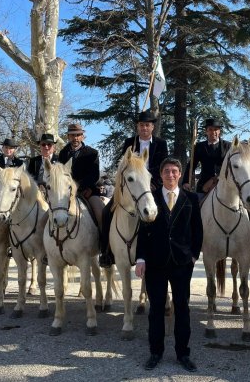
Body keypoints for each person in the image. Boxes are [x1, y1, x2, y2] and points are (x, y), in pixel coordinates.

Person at [135, 157, 203, 373]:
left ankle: (183, 353)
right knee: (156, 309)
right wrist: (141, 258)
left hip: (182, 263)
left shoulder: (191, 198)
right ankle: (156, 352)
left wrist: (193, 256)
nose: (170, 175)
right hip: (156, 262)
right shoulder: (151, 198)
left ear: (180, 174)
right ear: (160, 175)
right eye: (166, 171)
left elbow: (197, 231)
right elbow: (143, 232)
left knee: (182, 308)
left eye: (174, 171)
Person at [99, 112, 169, 267]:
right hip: (131, 187)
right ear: (137, 127)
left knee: (164, 214)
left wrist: (151, 182)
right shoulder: (130, 143)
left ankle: (164, 251)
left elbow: (163, 165)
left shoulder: (161, 143)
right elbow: (123, 165)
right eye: (141, 125)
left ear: (152, 127)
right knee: (106, 212)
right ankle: (106, 252)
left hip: (152, 186)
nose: (144, 128)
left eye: (147, 125)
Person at [183, 118, 250, 251]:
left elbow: (233, 164)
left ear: (219, 131)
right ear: (206, 131)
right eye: (210, 130)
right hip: (204, 185)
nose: (213, 132)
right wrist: (186, 181)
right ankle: (191, 237)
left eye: (215, 130)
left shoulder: (228, 146)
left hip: (227, 184)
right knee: (193, 207)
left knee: (249, 205)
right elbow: (191, 165)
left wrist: (217, 178)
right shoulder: (199, 147)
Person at [58, 123, 104, 228]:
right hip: (66, 193)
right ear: (68, 136)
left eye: (78, 135)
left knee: (101, 214)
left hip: (88, 191)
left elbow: (94, 175)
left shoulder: (92, 153)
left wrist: (82, 187)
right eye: (73, 135)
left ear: (82, 136)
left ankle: (104, 241)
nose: (75, 138)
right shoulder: (62, 153)